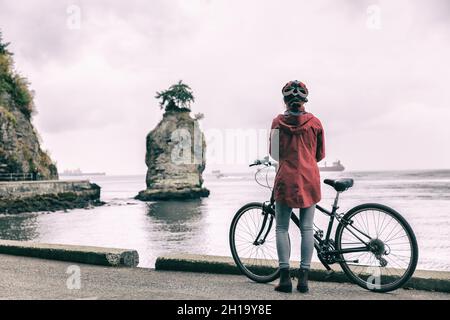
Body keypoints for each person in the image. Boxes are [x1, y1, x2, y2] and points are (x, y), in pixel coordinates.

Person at [269, 80, 325, 293]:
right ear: (304, 100)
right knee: (307, 227)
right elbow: (320, 155)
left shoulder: (277, 122)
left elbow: (274, 154)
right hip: (309, 179)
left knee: (282, 228)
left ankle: (284, 279)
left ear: (285, 100)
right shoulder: (315, 122)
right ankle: (303, 279)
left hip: (286, 179)